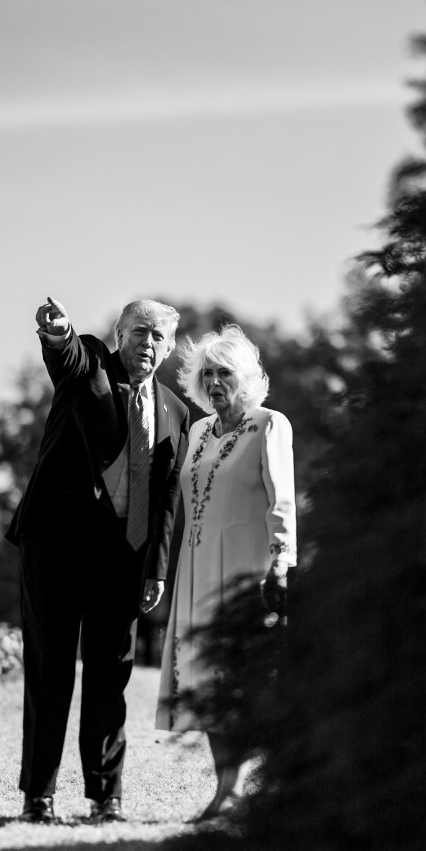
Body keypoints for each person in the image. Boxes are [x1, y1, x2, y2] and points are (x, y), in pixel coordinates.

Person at [6, 295, 189, 824]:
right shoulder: (90, 364)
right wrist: (60, 333)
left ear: (170, 346)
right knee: (50, 669)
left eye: (158, 337)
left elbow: (167, 499)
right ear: (118, 334)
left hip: (122, 560)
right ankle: (38, 797)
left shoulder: (177, 411)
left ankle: (105, 797)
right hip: (55, 550)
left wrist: (155, 568)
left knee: (111, 677)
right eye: (138, 332)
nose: (147, 344)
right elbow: (67, 357)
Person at [155, 324, 296, 820]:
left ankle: (262, 791)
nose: (215, 382)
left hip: (247, 569)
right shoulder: (196, 431)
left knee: (246, 681)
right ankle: (226, 791)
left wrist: (282, 560)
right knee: (208, 682)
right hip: (197, 569)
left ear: (248, 379)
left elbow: (281, 501)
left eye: (225, 373)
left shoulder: (269, 424)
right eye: (207, 374)